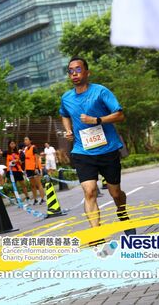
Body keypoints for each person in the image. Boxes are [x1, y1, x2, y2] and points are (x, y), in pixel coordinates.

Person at [60, 56, 135, 239]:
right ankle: (97, 234)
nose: (74, 74)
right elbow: (64, 114)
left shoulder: (101, 91)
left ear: (87, 72)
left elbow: (119, 115)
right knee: (90, 191)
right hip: (82, 151)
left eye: (78, 69)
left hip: (108, 150)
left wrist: (97, 120)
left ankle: (122, 212)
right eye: (71, 71)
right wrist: (68, 130)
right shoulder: (66, 97)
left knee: (115, 193)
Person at [23, 137, 45, 205]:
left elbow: (36, 158)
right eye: (24, 140)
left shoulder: (33, 147)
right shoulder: (26, 149)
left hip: (34, 168)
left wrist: (36, 167)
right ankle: (35, 199)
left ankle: (42, 198)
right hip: (28, 169)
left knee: (38, 184)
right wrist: (25, 169)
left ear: (30, 141)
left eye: (26, 140)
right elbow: (26, 160)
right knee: (32, 185)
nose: (25, 141)